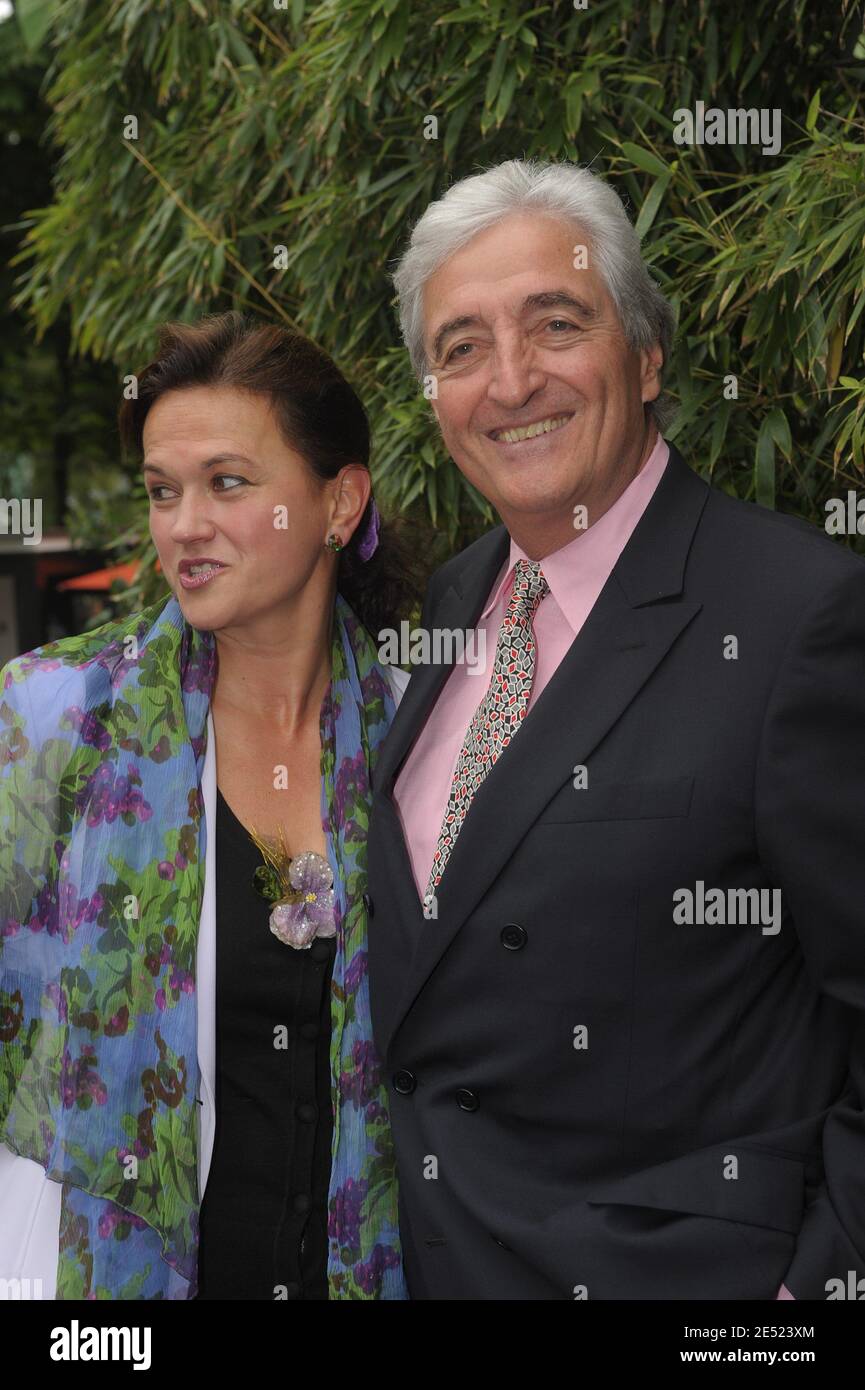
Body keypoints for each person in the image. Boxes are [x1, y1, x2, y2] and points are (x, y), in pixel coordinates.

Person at [366, 158, 865, 1300]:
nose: (510, 380)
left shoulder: (799, 617)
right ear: (433, 402)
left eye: (556, 323)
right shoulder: (450, 605)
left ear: (644, 356)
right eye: (460, 348)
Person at [0, 310, 420, 1301]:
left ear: (338, 500)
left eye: (228, 483)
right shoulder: (52, 725)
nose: (185, 524)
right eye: (162, 491)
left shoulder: (420, 734)